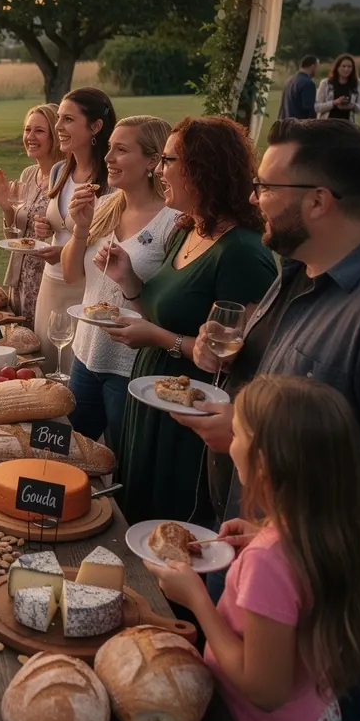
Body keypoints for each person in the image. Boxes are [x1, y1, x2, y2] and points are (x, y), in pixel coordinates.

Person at [173, 116, 360, 721]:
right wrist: (212, 355)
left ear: (318, 200)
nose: (253, 197)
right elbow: (260, 370)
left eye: (266, 185)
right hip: (271, 542)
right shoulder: (295, 271)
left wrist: (261, 441)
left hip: (331, 604)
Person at [147, 375, 360, 721]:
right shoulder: (326, 534)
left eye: (240, 435)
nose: (231, 443)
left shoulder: (271, 562)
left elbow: (264, 688)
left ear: (264, 464)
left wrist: (198, 601)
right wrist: (262, 533)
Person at [99, 116, 277, 526]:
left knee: (172, 528)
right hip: (150, 398)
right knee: (136, 514)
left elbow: (241, 363)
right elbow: (159, 311)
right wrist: (127, 279)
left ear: (203, 168)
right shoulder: (188, 229)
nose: (160, 170)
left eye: (168, 160)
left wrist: (159, 339)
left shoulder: (243, 254)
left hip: (194, 420)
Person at [60, 116, 177, 456]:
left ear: (153, 161)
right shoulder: (107, 205)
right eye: (109, 148)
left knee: (123, 463)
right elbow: (70, 275)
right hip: (85, 355)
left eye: (121, 150)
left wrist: (130, 278)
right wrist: (80, 230)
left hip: (130, 367)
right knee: (71, 456)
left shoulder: (172, 222)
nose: (108, 158)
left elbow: (168, 307)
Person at [31, 87, 117, 374]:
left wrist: (66, 251)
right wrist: (46, 226)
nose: (58, 127)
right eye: (58, 119)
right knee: (46, 366)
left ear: (95, 126)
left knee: (74, 374)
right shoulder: (59, 171)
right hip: (50, 286)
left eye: (67, 119)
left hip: (84, 290)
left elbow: (109, 239)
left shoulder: (110, 182)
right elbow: (61, 224)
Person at [0, 103, 60, 320]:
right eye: (27, 130)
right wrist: (6, 207)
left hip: (45, 278)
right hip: (19, 278)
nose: (30, 136)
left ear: (55, 136)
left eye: (39, 131)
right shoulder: (29, 174)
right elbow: (14, 238)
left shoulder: (65, 177)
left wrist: (50, 230)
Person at [314, 52, 360, 123]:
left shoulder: (358, 83)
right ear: (337, 67)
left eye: (350, 67)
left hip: (348, 125)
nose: (346, 69)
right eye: (343, 66)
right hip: (327, 125)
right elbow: (317, 107)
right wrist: (334, 103)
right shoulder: (325, 83)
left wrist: (352, 106)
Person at [278, 54, 318, 120]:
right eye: (317, 68)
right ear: (313, 67)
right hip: (298, 126)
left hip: (285, 124)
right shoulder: (308, 83)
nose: (317, 71)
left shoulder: (289, 81)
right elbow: (309, 110)